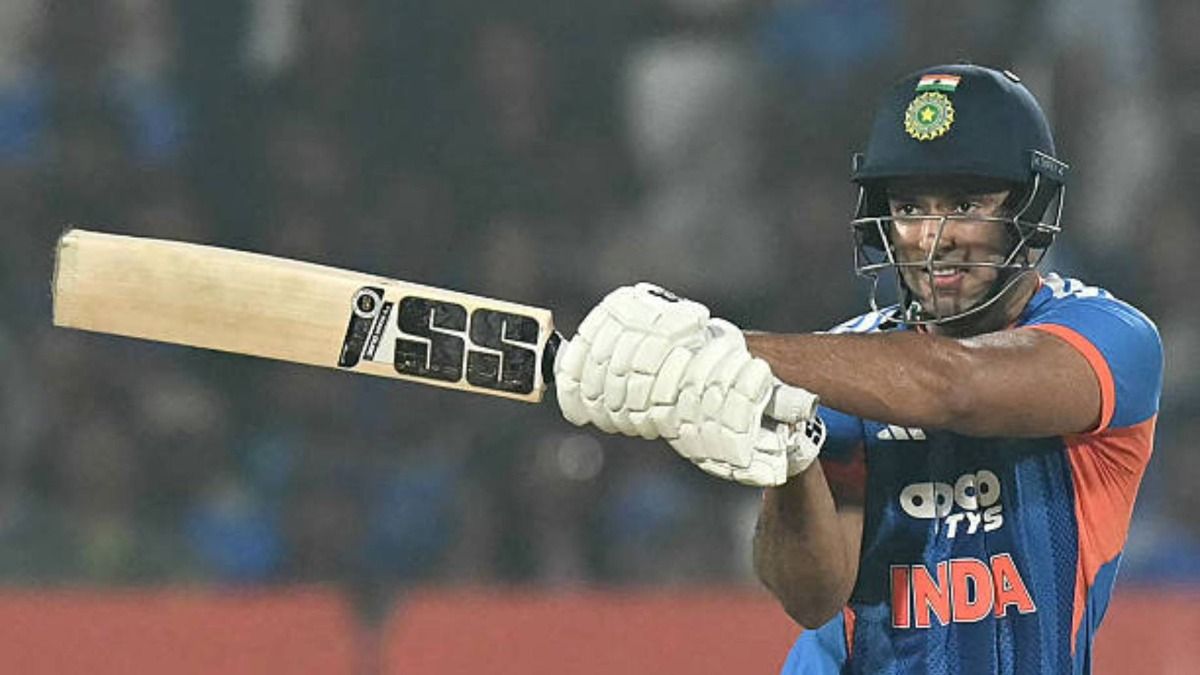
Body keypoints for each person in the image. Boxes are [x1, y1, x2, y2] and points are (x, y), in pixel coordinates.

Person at [553, 63, 1163, 674]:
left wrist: (718, 346)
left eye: (965, 203)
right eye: (908, 206)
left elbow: (956, 385)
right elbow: (811, 597)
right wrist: (791, 459)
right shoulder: (834, 368)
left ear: (1029, 207)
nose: (932, 236)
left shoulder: (1112, 339)